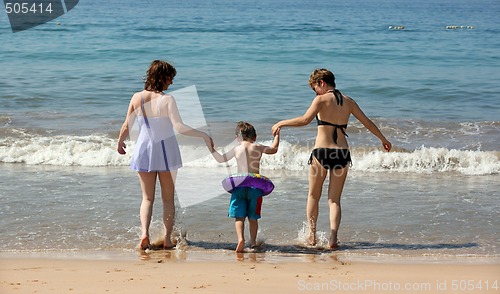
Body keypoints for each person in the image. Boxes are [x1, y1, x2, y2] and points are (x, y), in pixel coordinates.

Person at [272, 68, 391, 249]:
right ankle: (333, 238)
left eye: (315, 88)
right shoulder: (349, 102)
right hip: (342, 154)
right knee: (334, 200)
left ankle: (311, 236)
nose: (315, 92)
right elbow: (367, 122)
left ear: (321, 83)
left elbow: (305, 120)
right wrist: (383, 139)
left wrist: (281, 123)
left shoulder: (320, 100)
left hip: (322, 153)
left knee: (313, 195)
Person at [117, 60, 213, 250]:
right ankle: (167, 240)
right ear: (162, 77)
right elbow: (179, 127)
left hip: (144, 150)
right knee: (168, 199)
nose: (171, 83)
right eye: (170, 78)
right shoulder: (167, 100)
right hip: (166, 150)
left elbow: (127, 125)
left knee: (147, 198)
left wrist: (120, 142)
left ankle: (144, 234)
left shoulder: (137, 97)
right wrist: (203, 134)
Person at [209, 121, 280, 252]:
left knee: (239, 216)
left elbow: (220, 159)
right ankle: (253, 242)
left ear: (238, 138)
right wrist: (277, 136)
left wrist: (212, 148)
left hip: (239, 187)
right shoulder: (257, 147)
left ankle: (240, 239)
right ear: (255, 137)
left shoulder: (236, 148)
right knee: (253, 217)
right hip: (256, 188)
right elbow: (274, 149)